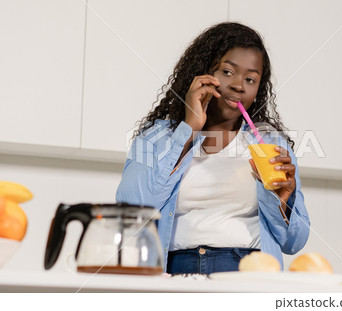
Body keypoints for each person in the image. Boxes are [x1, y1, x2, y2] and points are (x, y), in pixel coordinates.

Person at [116, 22, 310, 274]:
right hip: (174, 274)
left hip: (248, 275)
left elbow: (294, 242)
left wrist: (283, 202)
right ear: (203, 72)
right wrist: (188, 129)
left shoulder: (271, 143)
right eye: (227, 72)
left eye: (250, 79)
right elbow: (131, 208)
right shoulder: (156, 137)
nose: (239, 85)